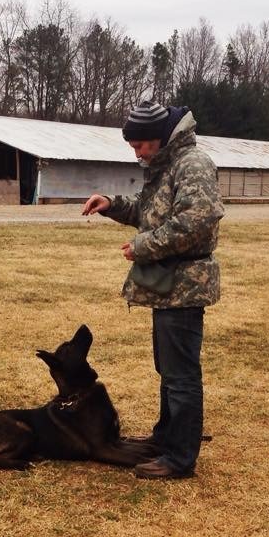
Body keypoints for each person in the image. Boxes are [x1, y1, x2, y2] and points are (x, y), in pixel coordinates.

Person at [82, 101, 224, 479]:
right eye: (133, 147)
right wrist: (111, 204)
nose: (138, 153)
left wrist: (143, 246)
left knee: (181, 376)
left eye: (142, 145)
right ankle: (166, 438)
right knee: (169, 370)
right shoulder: (166, 165)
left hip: (184, 284)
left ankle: (179, 458)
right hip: (167, 285)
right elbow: (149, 210)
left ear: (162, 138)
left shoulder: (192, 163)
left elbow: (198, 220)